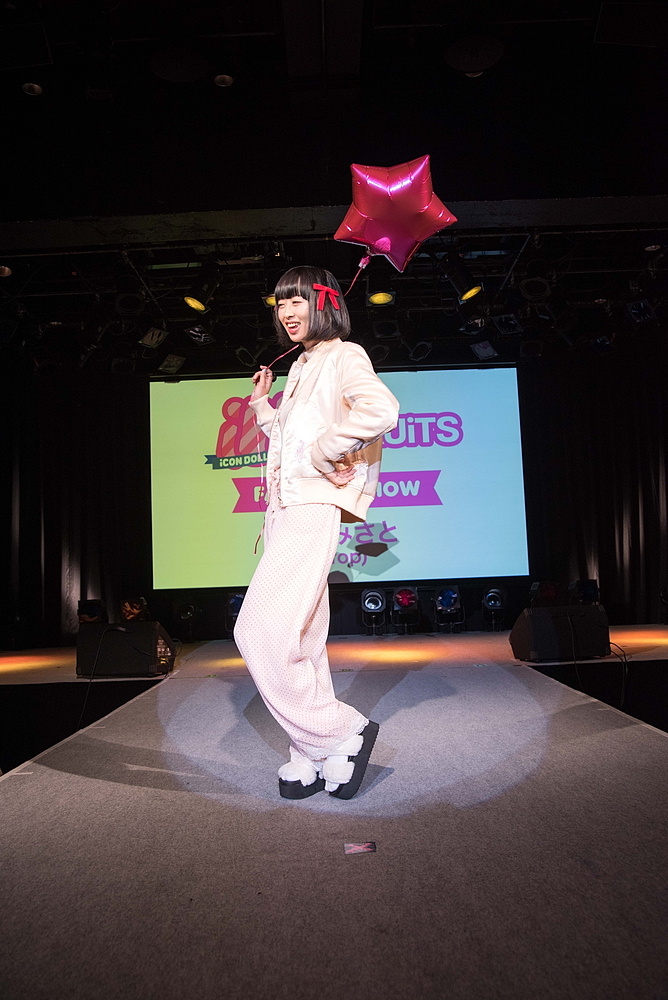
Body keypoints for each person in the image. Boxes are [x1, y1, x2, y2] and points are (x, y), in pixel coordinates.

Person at [234, 265, 399, 801]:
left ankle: (339, 731)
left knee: (257, 631)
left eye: (297, 300)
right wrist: (263, 405)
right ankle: (309, 752)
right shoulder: (302, 365)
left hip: (312, 505)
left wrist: (329, 449)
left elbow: (382, 409)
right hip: (284, 510)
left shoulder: (344, 355)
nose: (286, 312)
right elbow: (289, 437)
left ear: (324, 302)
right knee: (303, 638)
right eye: (280, 303)